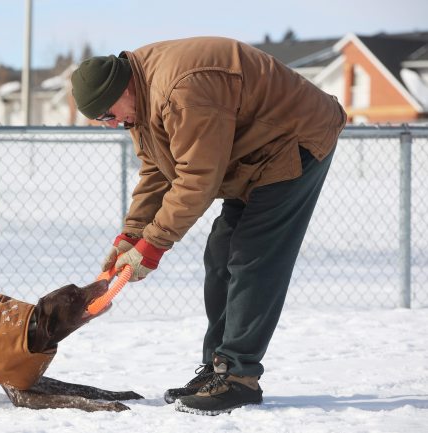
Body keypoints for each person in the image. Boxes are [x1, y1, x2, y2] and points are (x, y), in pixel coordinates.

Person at [70, 36, 346, 416]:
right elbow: (158, 169)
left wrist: (152, 246)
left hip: (294, 138)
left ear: (122, 89)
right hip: (250, 153)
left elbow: (197, 178)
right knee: (220, 255)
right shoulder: (141, 99)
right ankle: (219, 368)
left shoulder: (182, 90)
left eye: (106, 115)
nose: (110, 124)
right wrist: (131, 235)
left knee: (252, 255)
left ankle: (238, 377)